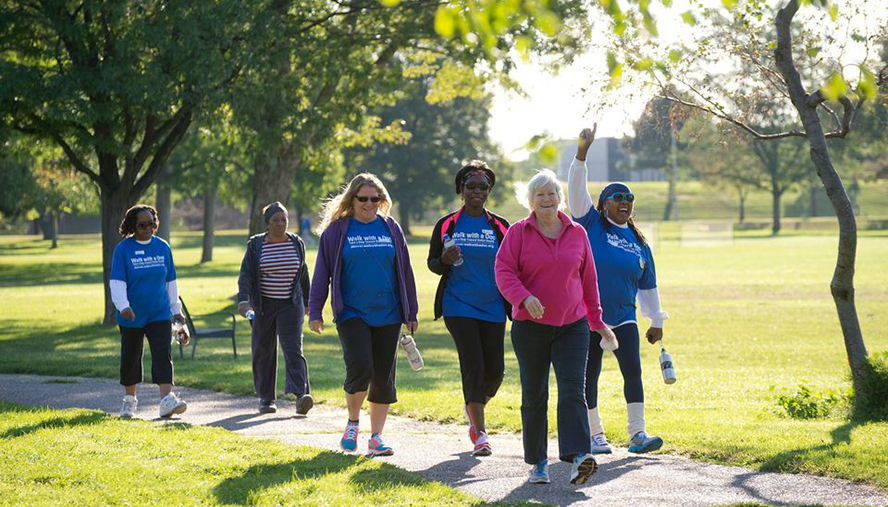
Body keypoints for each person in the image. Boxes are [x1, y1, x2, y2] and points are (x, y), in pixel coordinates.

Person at [495, 169, 617, 485]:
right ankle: (538, 463)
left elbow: (588, 280)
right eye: (540, 194)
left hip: (572, 325)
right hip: (530, 328)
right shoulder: (518, 233)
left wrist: (597, 321)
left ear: (560, 199)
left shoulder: (577, 233)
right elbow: (504, 271)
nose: (547, 199)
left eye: (552, 194)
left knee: (573, 391)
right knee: (535, 395)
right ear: (530, 201)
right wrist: (523, 297)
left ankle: (578, 458)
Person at [568, 124, 670, 455]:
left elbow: (648, 283)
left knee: (633, 371)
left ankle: (637, 434)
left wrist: (656, 320)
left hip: (624, 316)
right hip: (588, 315)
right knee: (589, 375)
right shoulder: (591, 223)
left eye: (629, 199)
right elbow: (575, 189)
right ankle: (595, 435)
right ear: (604, 204)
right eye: (618, 198)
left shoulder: (639, 242)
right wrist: (582, 153)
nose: (624, 203)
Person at [308, 173, 419, 457]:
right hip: (352, 311)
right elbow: (322, 273)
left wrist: (411, 311)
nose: (369, 204)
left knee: (383, 376)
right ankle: (353, 423)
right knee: (360, 365)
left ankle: (377, 437)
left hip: (390, 312)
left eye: (375, 199)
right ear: (352, 199)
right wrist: (315, 309)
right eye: (363, 198)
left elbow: (405, 271)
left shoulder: (391, 228)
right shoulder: (337, 231)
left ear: (382, 201)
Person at [428, 161, 511, 457]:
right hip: (458, 305)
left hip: (493, 307)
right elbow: (433, 263)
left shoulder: (501, 226)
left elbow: (514, 265)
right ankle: (480, 433)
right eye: (471, 186)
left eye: (483, 187)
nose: (477, 191)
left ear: (489, 191)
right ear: (460, 190)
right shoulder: (448, 224)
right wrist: (445, 261)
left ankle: (473, 404)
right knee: (473, 363)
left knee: (496, 372)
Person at [109, 204, 188, 419]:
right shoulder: (123, 250)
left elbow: (171, 281)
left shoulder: (163, 248)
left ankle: (166, 401)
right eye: (142, 225)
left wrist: (177, 313)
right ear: (132, 226)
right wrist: (123, 306)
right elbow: (117, 281)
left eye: (151, 224)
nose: (147, 229)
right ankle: (129, 402)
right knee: (131, 357)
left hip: (158, 312)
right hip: (132, 314)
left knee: (163, 354)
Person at [237, 202, 313, 416]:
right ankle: (266, 398)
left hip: (291, 303)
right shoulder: (256, 245)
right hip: (263, 305)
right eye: (275, 221)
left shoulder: (296, 242)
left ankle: (301, 396)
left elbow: (303, 273)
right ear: (267, 224)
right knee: (263, 349)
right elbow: (246, 275)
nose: (280, 224)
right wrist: (244, 301)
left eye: (284, 220)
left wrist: (308, 302)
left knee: (293, 348)